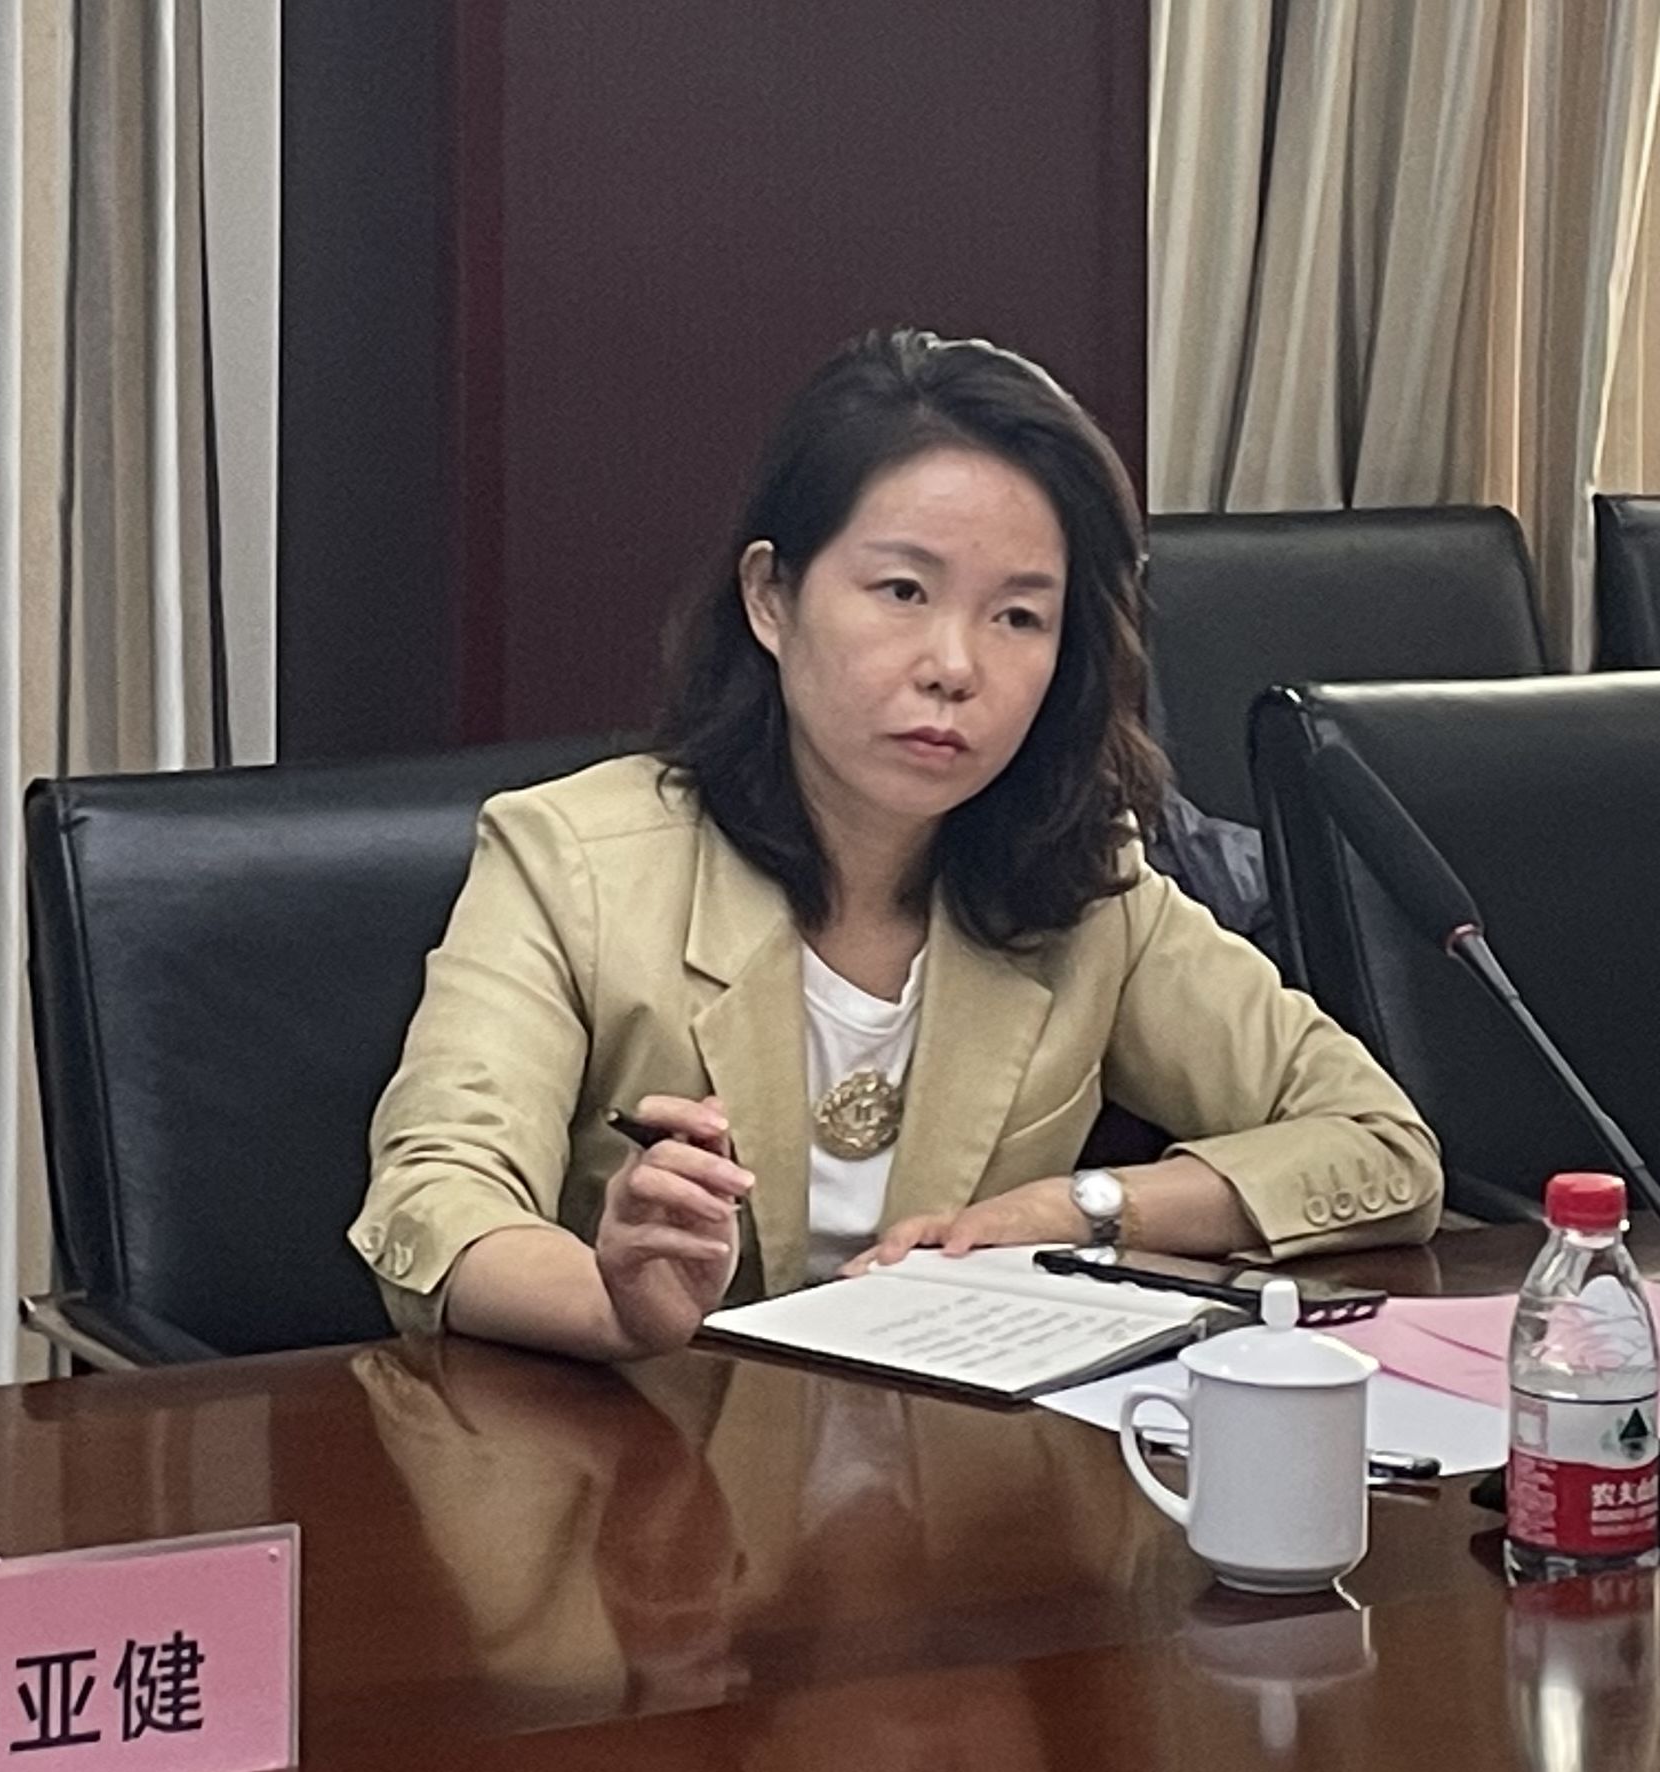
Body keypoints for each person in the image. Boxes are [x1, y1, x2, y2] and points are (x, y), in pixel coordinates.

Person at [352, 328, 1441, 1361]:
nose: (954, 666)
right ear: (771, 598)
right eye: (904, 592)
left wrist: (1079, 1210)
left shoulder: (1087, 889)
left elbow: (1380, 1145)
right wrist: (614, 1303)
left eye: (1019, 617)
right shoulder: (571, 862)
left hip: (959, 1467)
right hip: (643, 1461)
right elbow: (435, 1200)